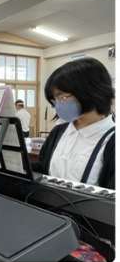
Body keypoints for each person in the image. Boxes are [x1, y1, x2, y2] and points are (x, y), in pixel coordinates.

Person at [34, 57, 115, 188]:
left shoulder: (112, 141)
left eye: (63, 97)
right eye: (54, 100)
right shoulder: (58, 131)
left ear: (91, 92)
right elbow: (44, 168)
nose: (57, 105)